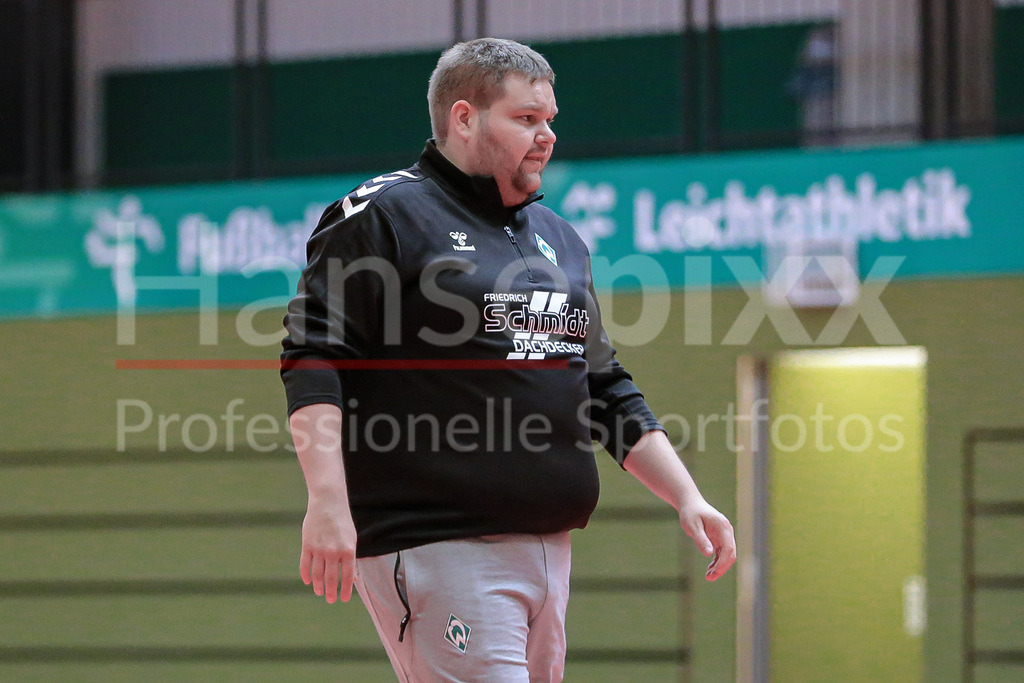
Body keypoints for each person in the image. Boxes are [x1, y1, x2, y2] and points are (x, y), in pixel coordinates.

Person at [280, 37, 736, 682]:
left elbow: (603, 385)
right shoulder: (385, 214)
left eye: (549, 119)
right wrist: (327, 501)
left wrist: (687, 497)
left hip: (549, 548)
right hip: (439, 541)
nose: (546, 135)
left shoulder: (558, 239)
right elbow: (314, 356)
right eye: (526, 119)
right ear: (464, 118)